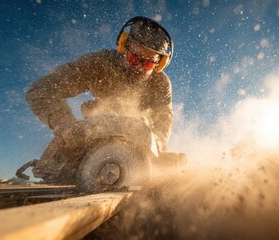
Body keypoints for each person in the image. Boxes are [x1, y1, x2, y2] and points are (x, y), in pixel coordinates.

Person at [25, 16, 174, 183]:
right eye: (134, 58)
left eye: (147, 64)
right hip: (100, 125)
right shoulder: (99, 64)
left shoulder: (160, 83)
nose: (138, 67)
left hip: (142, 136)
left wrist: (159, 144)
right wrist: (64, 123)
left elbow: (163, 119)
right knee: (60, 165)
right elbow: (40, 89)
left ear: (158, 64)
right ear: (123, 45)